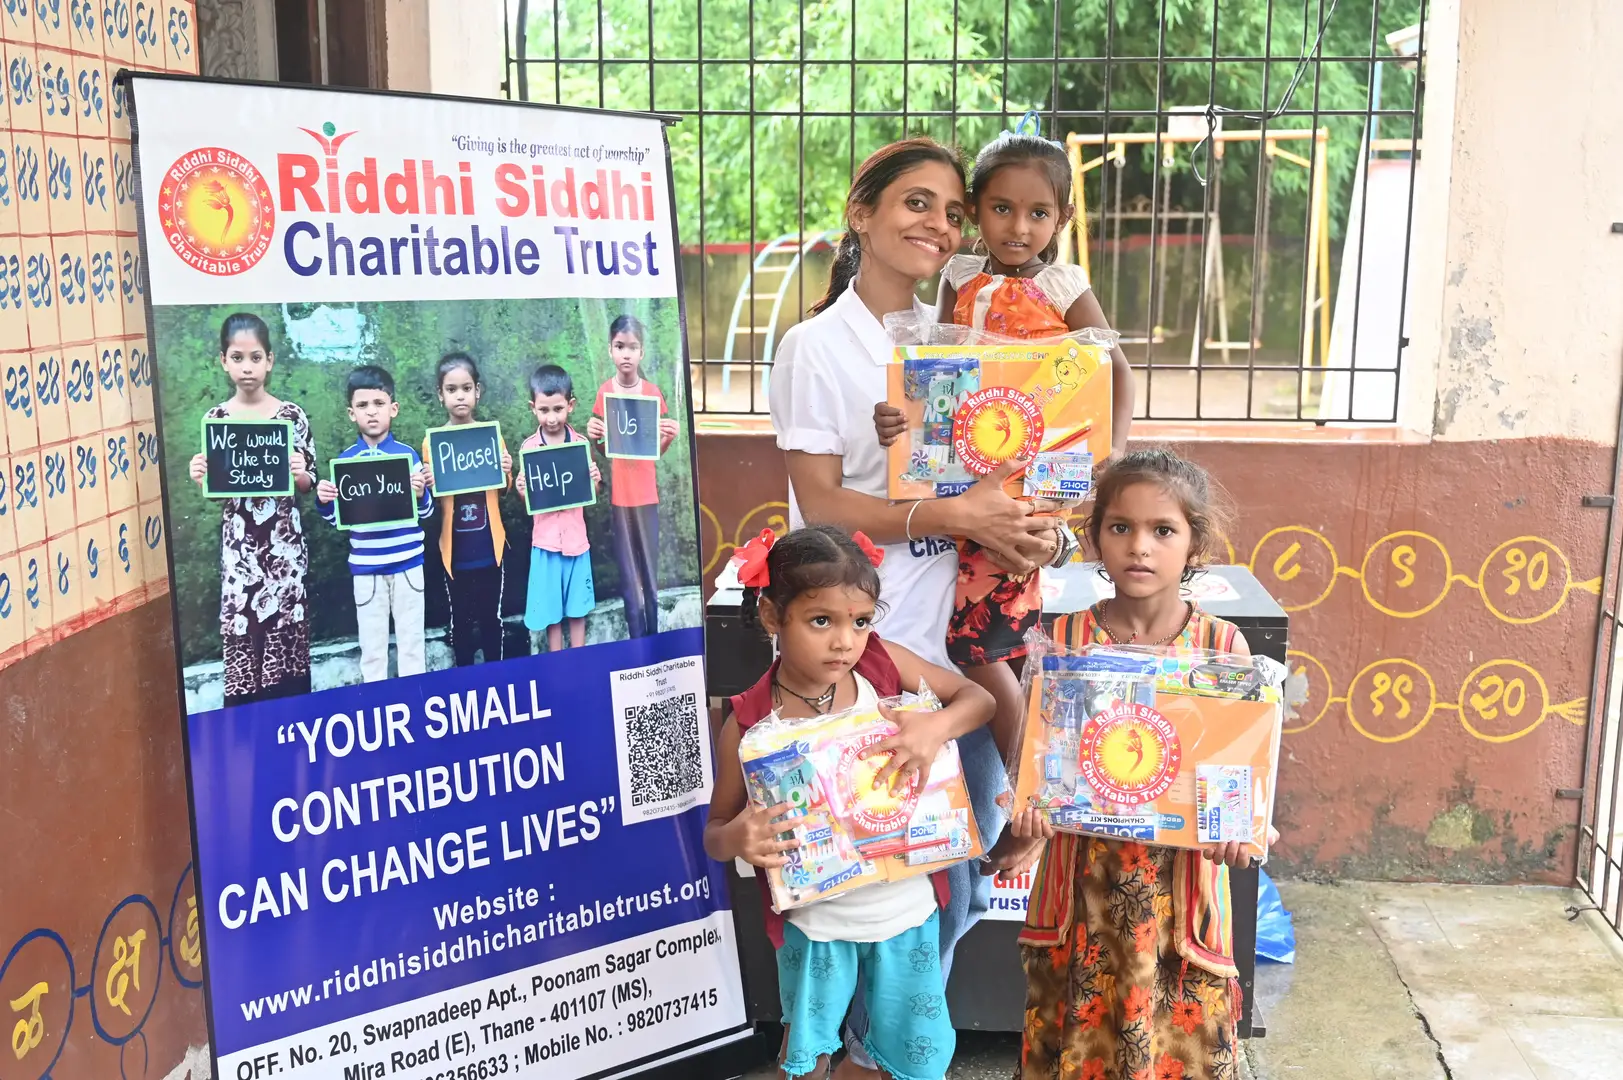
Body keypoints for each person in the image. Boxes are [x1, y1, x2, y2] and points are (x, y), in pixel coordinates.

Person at [767, 136, 1060, 1077]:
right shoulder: (816, 348)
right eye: (915, 203)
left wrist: (1030, 532)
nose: (938, 224)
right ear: (861, 216)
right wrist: (950, 514)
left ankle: (879, 1056)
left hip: (959, 659)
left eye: (951, 211)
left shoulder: (965, 334)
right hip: (866, 661)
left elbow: (1016, 465)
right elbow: (822, 504)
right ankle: (858, 1056)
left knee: (958, 886)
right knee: (867, 890)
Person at [874, 116, 1136, 790]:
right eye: (1001, 208)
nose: (1018, 227)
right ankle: (1024, 776)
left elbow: (1114, 368)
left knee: (980, 640)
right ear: (975, 209)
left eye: (1038, 213)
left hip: (1029, 483)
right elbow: (934, 367)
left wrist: (1110, 454)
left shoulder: (1063, 286)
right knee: (976, 634)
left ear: (1063, 217)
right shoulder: (958, 275)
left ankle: (1026, 778)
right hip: (961, 478)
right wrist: (899, 419)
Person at [1009, 448, 1280, 1080]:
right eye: (1120, 527)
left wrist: (1244, 832)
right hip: (1083, 892)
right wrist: (1028, 813)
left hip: (1179, 898)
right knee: (1079, 1052)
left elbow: (1236, 778)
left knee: (1174, 1052)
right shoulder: (1064, 643)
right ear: (1094, 536)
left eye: (1163, 530)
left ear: (1195, 544)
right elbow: (1041, 767)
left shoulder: (1221, 646)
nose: (1140, 546)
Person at [704, 526, 996, 1080]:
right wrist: (738, 836)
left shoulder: (882, 667)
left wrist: (935, 727)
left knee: (911, 1053)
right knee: (807, 1056)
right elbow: (715, 832)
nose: (845, 641)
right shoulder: (749, 723)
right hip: (815, 929)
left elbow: (977, 699)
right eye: (822, 621)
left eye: (860, 621)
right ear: (772, 617)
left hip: (907, 915)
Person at [188, 312, 316, 706]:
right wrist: (201, 478)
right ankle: (248, 724)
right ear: (223, 361)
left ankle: (291, 719)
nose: (247, 367)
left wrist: (299, 471)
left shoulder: (291, 417)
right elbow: (218, 492)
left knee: (285, 626)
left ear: (270, 361)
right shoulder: (217, 420)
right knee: (246, 627)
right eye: (238, 358)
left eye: (256, 358)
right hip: (240, 554)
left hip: (284, 553)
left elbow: (308, 483)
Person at [316, 365, 433, 682]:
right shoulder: (346, 462)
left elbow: (426, 513)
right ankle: (375, 702)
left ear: (393, 408)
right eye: (363, 405)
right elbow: (336, 519)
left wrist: (421, 493)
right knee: (372, 648)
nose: (371, 412)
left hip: (408, 565)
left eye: (379, 404)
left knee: (412, 644)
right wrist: (325, 501)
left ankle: (416, 698)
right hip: (367, 569)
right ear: (351, 413)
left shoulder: (408, 457)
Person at [585, 314, 679, 639]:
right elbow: (604, 449)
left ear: (642, 352)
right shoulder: (605, 393)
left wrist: (668, 437)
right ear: (610, 350)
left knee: (649, 574)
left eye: (632, 347)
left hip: (647, 498)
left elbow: (654, 451)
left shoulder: (652, 393)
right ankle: (635, 640)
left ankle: (653, 635)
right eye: (619, 346)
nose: (626, 354)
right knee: (628, 577)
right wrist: (594, 436)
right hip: (620, 501)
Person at [423, 351, 514, 666]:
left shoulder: (492, 437)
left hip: (489, 546)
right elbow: (433, 500)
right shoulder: (432, 443)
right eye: (451, 389)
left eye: (466, 388)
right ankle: (465, 678)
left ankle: (495, 674)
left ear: (478, 391)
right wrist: (429, 483)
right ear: (440, 395)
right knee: (460, 621)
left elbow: (503, 490)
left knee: (491, 619)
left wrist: (506, 470)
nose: (459, 396)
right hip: (455, 550)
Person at [523, 365, 602, 651]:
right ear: (533, 408)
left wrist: (595, 481)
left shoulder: (580, 445)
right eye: (544, 410)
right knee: (552, 612)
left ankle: (578, 657)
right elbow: (528, 501)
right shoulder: (529, 449)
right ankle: (557, 660)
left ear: (570, 405)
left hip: (575, 542)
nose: (552, 418)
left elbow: (591, 494)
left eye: (558, 409)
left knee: (578, 607)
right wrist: (522, 489)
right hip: (546, 544)